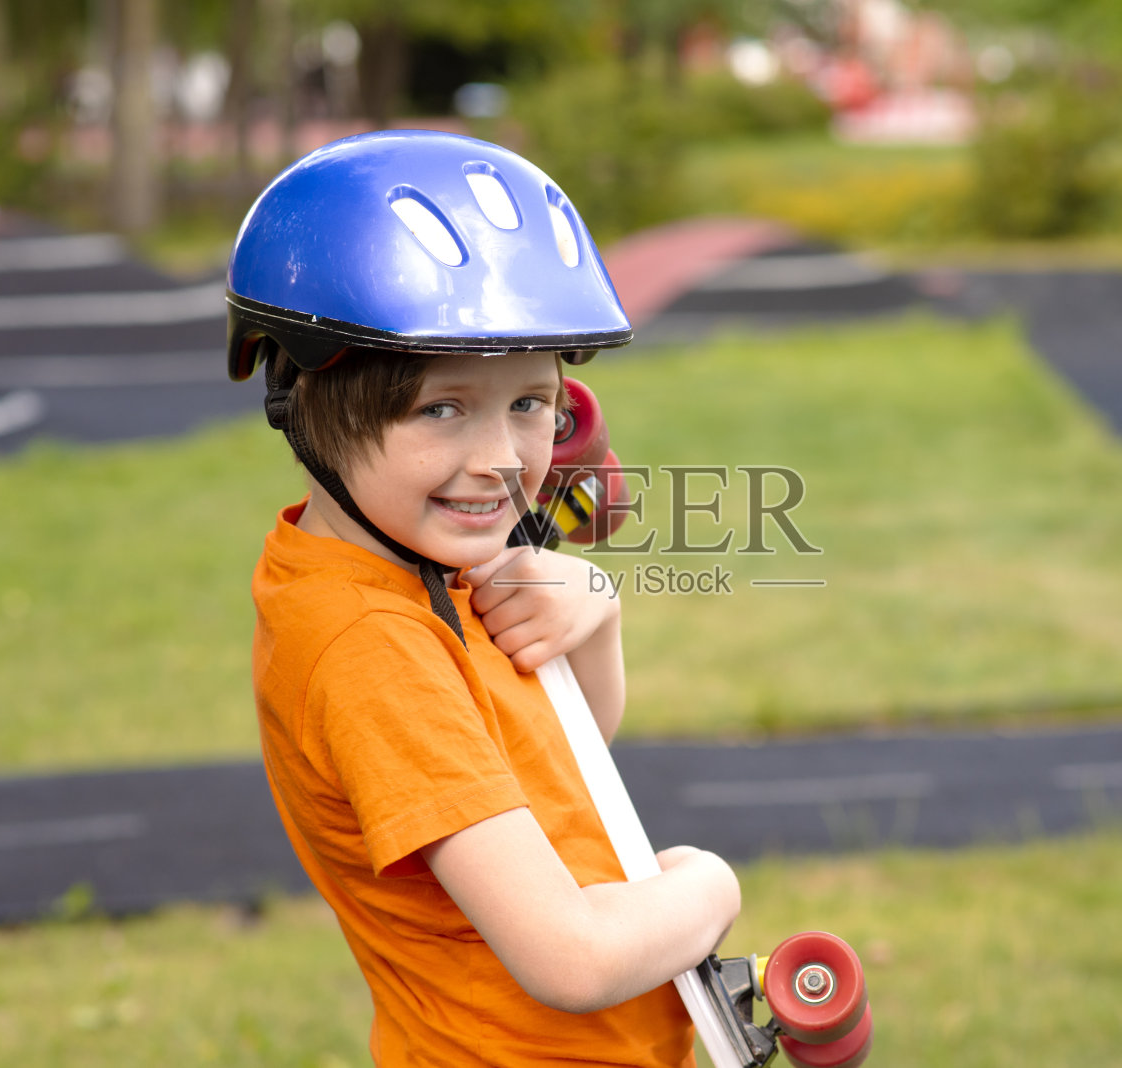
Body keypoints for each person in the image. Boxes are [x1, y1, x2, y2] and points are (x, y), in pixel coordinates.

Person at [226, 130, 741, 1066]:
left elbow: (559, 766)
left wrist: (593, 619)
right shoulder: (370, 646)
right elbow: (572, 961)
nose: (503, 461)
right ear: (306, 400)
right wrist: (707, 889)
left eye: (529, 403)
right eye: (442, 408)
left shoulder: (398, 557)